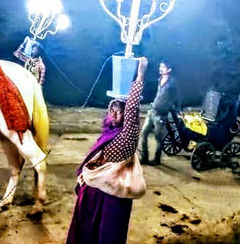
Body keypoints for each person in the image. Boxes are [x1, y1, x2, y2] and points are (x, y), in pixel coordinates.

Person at [66, 57, 148, 244]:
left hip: (112, 199)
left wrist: (140, 75)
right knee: (86, 234)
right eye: (113, 111)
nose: (115, 115)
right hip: (92, 195)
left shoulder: (127, 137)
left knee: (108, 235)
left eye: (121, 112)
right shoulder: (108, 134)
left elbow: (132, 108)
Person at [139, 60, 178, 165]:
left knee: (158, 138)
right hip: (152, 111)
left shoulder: (172, 83)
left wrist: (167, 107)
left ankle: (157, 159)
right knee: (143, 133)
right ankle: (144, 157)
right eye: (160, 66)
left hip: (161, 114)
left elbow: (174, 98)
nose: (160, 68)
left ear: (169, 69)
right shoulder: (160, 79)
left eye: (163, 67)